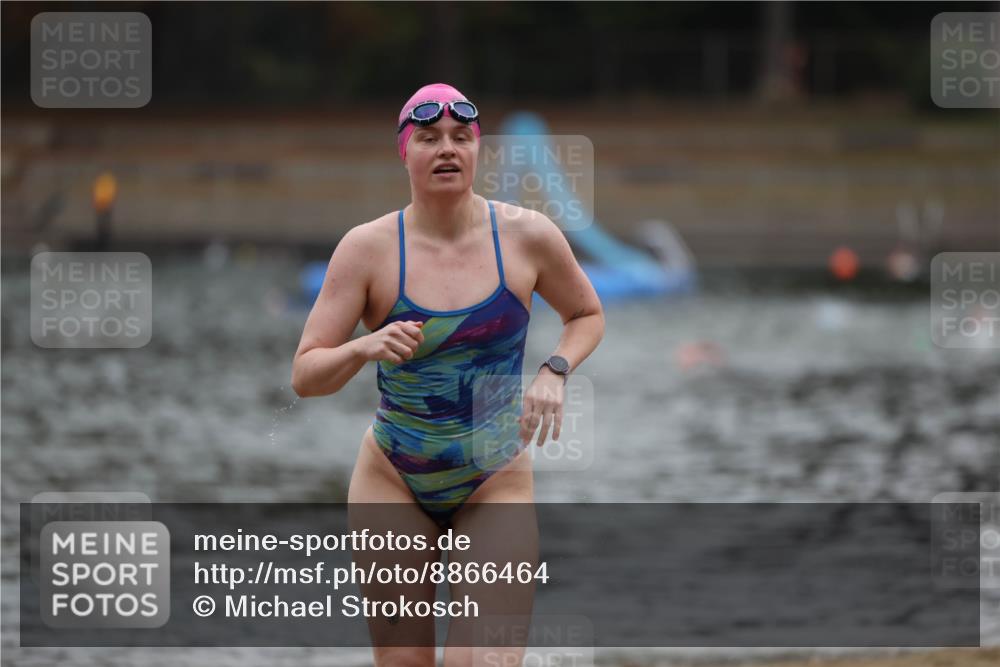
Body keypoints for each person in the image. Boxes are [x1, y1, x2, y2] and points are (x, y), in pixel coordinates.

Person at [291, 83, 604, 666]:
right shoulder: (367, 249)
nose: (447, 149)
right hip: (393, 478)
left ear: (477, 150)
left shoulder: (528, 236)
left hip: (495, 479)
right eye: (429, 138)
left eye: (462, 137)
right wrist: (364, 347)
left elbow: (586, 314)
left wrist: (554, 370)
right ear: (404, 152)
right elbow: (306, 375)